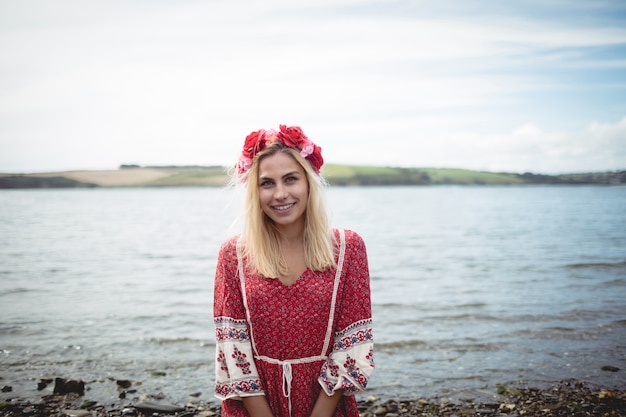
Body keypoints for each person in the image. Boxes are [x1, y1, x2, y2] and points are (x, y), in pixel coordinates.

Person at [213, 125, 374, 417]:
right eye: (267, 183)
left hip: (325, 404)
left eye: (290, 179)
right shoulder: (233, 255)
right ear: (254, 190)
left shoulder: (348, 248)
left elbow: (351, 344)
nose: (280, 194)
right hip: (252, 406)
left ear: (309, 182)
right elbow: (232, 347)